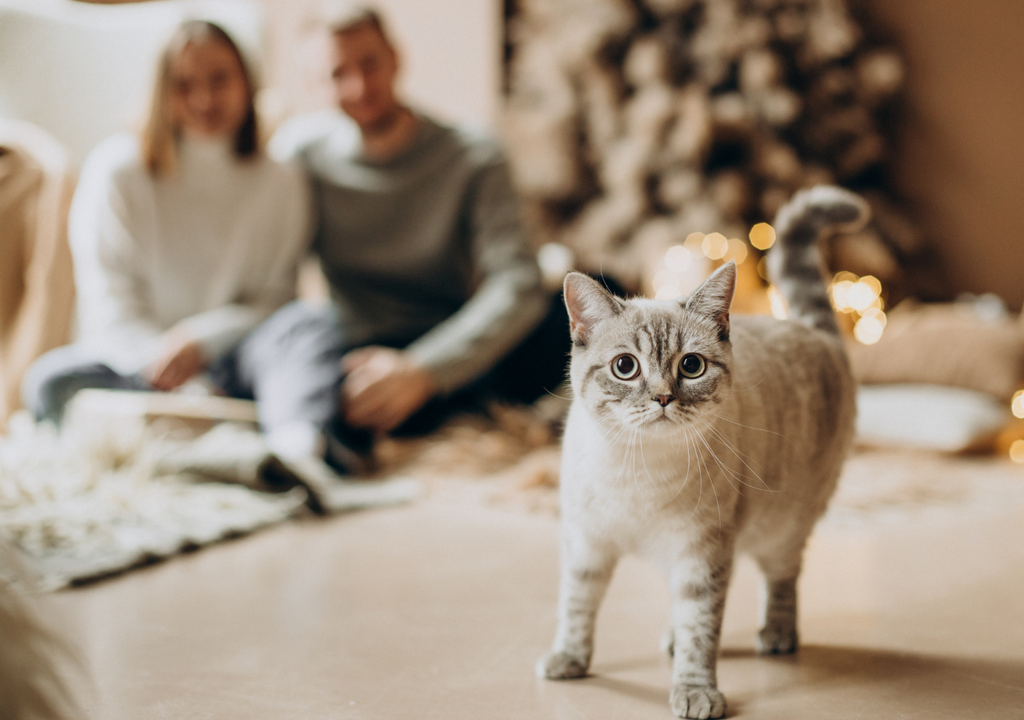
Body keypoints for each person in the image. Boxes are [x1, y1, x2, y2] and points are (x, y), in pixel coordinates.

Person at [264, 4, 567, 468]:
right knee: (296, 360)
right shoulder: (298, 156)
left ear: (395, 57)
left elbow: (517, 283)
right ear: (311, 83)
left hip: (453, 349)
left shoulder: (472, 155)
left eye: (370, 64)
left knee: (577, 312)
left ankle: (434, 409)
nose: (359, 86)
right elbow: (270, 272)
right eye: (336, 73)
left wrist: (423, 371)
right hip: (354, 356)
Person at [22, 20, 311, 430]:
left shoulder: (282, 179)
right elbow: (109, 307)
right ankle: (222, 440)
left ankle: (294, 451)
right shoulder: (117, 173)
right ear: (161, 90)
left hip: (235, 363)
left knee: (309, 333)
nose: (204, 98)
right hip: (140, 368)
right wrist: (170, 365)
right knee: (48, 382)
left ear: (247, 81)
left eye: (219, 79)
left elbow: (277, 301)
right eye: (184, 84)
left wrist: (201, 342)